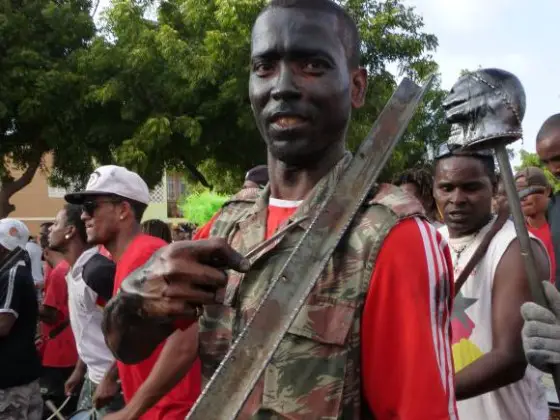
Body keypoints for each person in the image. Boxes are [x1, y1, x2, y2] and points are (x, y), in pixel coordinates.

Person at [102, 1, 458, 418]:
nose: (282, 86)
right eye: (265, 67)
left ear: (357, 87)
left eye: (312, 65)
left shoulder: (392, 237)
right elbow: (128, 347)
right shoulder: (227, 226)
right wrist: (134, 298)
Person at [64, 165, 201, 420]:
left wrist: (130, 411)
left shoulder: (147, 256)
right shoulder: (128, 260)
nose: (83, 216)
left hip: (168, 411)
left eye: (91, 206)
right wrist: (112, 376)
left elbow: (185, 341)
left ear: (123, 210)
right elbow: (142, 334)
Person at [433, 144, 550, 419]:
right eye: (446, 188)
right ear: (434, 189)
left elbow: (510, 359)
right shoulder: (431, 241)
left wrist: (429, 394)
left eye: (471, 187)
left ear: (494, 186)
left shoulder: (516, 247)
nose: (457, 198)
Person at [48, 204, 125, 416]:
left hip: (113, 385)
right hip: (93, 377)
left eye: (55, 224)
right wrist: (80, 370)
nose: (49, 230)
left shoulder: (96, 273)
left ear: (70, 231)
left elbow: (133, 329)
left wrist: (111, 378)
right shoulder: (74, 272)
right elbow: (93, 326)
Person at [0, 219, 43, 420]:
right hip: (19, 377)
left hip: (11, 383)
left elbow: (2, 325)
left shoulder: (12, 274)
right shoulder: (14, 271)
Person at [38, 230, 78, 417]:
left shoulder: (57, 273)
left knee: (54, 405)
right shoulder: (67, 268)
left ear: (46, 252)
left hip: (57, 351)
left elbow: (51, 314)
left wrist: (27, 305)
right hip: (70, 346)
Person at [515, 166, 556, 283]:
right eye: (518, 193)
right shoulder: (514, 234)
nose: (523, 197)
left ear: (547, 191)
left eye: (528, 190)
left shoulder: (556, 228)